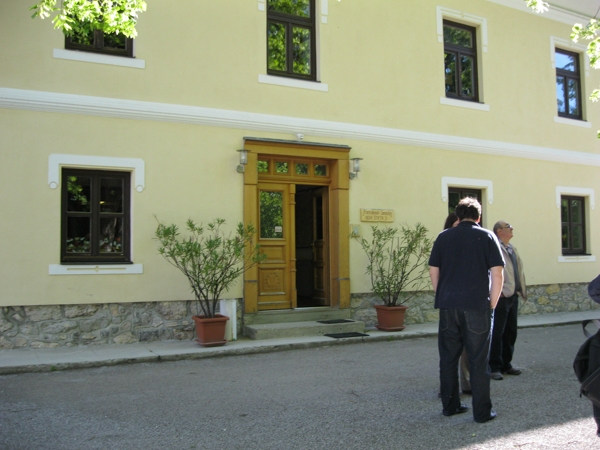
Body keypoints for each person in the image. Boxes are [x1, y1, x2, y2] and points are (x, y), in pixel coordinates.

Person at [429, 197, 504, 423]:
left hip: (448, 305)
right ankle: (482, 412)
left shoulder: (443, 237)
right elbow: (498, 273)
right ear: (478, 217)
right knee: (478, 361)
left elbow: (433, 270)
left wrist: (442, 295)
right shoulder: (487, 236)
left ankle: (450, 406)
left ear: (458, 216)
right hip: (477, 305)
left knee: (448, 359)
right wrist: (493, 302)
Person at [489, 221, 527, 381]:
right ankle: (494, 366)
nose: (512, 228)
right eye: (508, 226)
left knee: (511, 332)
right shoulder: (494, 247)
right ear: (499, 231)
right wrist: (499, 291)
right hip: (502, 296)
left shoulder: (512, 248)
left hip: (513, 295)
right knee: (498, 332)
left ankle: (506, 363)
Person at [441, 212, 472, 396]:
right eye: (456, 225)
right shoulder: (444, 242)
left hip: (469, 301)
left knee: (469, 348)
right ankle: (447, 389)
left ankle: (467, 384)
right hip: (450, 301)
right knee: (450, 350)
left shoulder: (473, 243)